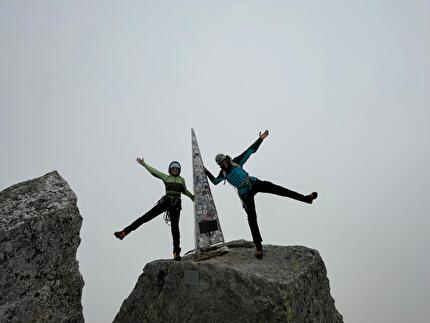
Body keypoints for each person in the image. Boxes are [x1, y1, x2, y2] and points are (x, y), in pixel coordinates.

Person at [203, 130, 317, 259]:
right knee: (252, 219)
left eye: (223, 161)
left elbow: (250, 150)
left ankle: (306, 199)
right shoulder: (222, 174)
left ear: (226, 159)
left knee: (280, 190)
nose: (223, 164)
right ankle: (258, 247)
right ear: (219, 165)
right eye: (220, 163)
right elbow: (215, 182)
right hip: (245, 195)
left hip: (254, 183)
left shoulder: (236, 161)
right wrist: (206, 171)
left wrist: (260, 139)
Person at [114, 158, 194, 261]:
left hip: (176, 205)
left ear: (179, 171)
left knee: (175, 229)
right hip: (166, 201)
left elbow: (185, 191)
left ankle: (176, 252)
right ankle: (124, 232)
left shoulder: (181, 180)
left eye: (176, 169)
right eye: (173, 169)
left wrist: (192, 197)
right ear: (170, 170)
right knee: (145, 217)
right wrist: (144, 164)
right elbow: (154, 172)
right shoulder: (166, 177)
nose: (175, 170)